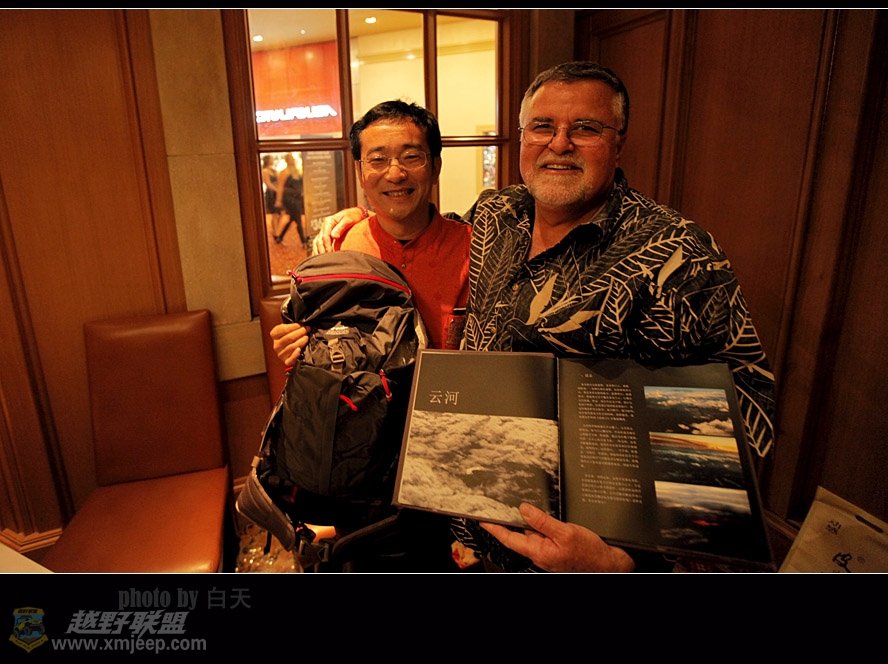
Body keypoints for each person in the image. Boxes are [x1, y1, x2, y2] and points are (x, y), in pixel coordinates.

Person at [313, 61, 776, 573]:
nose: (559, 144)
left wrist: (630, 564)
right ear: (522, 137)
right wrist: (366, 218)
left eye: (586, 128)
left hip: (583, 554)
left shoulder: (675, 253)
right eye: (542, 127)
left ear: (618, 144)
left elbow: (740, 413)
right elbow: (426, 233)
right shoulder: (497, 215)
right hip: (471, 531)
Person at [269, 99, 472, 571]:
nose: (395, 173)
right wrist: (293, 344)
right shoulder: (337, 246)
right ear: (361, 172)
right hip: (358, 455)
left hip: (443, 457)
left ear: (435, 165)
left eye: (411, 156)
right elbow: (313, 348)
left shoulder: (475, 249)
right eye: (378, 159)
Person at [273, 152, 309, 247]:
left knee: (293, 219)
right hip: (289, 199)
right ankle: (304, 241)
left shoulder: (297, 171)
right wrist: (278, 200)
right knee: (298, 219)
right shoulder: (284, 172)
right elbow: (280, 187)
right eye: (291, 158)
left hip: (297, 198)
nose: (293, 160)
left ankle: (280, 237)